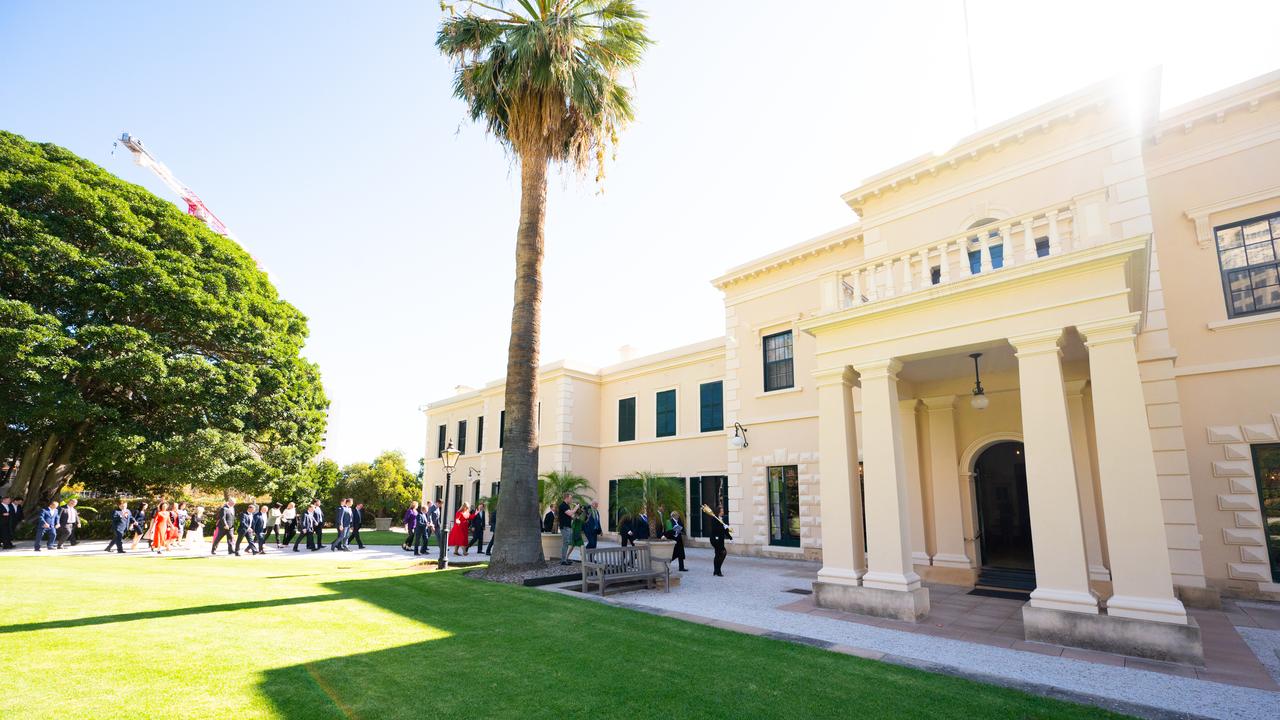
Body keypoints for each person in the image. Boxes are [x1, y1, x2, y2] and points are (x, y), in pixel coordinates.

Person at [708, 504, 729, 577]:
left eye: (723, 511)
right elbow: (715, 529)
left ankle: (716, 570)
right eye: (722, 511)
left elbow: (725, 530)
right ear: (718, 511)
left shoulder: (722, 518)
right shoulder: (714, 518)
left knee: (719, 554)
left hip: (720, 539)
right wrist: (723, 527)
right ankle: (718, 570)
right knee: (722, 553)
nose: (723, 512)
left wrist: (730, 537)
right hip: (715, 539)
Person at [557, 494, 576, 565]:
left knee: (568, 542)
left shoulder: (567, 506)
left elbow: (571, 516)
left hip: (568, 527)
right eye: (570, 498)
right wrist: (576, 507)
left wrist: (578, 513)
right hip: (564, 527)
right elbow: (570, 513)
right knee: (566, 543)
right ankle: (563, 560)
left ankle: (565, 558)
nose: (571, 500)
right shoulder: (563, 505)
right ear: (566, 498)